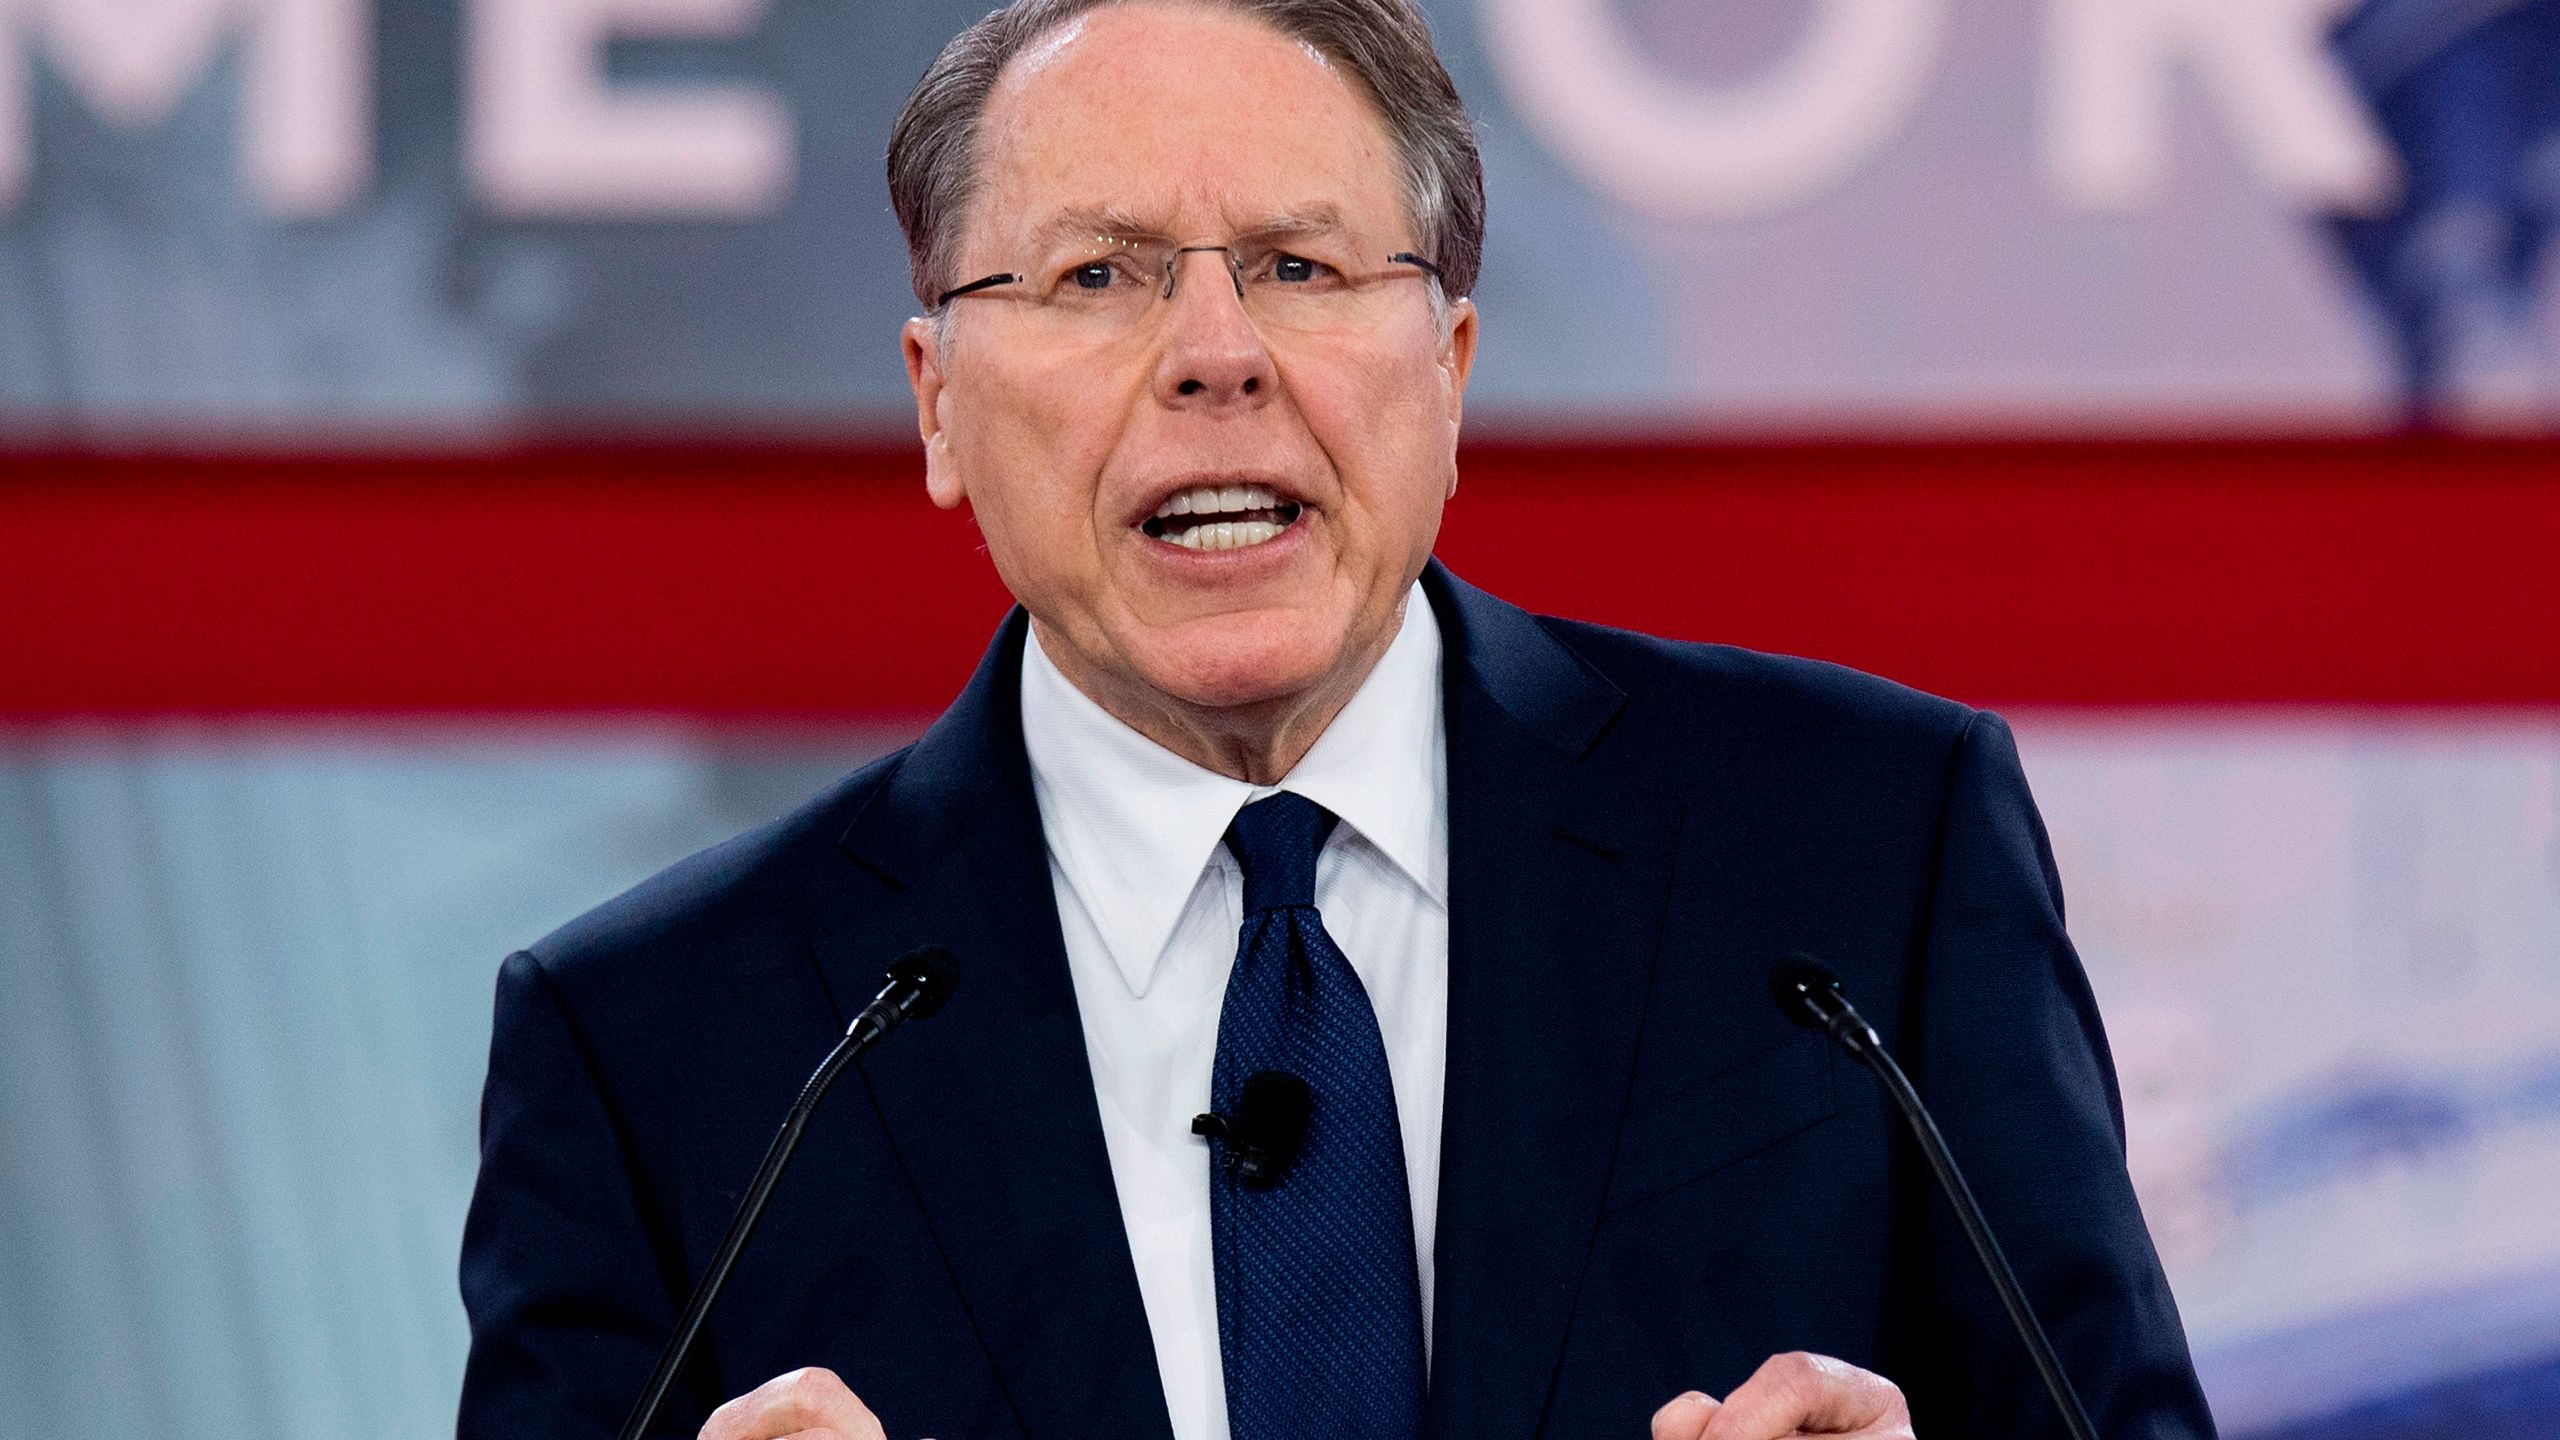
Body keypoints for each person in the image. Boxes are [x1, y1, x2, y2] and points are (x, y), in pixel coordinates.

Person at [457, 2, 2218, 1438]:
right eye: (1098, 276)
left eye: (1302, 266)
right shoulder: (666, 1050)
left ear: (1447, 374)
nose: (1218, 354)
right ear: (935, 406)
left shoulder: (1866, 857)